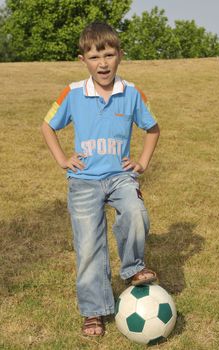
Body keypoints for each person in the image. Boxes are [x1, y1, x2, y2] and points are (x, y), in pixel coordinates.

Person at [41, 22, 160, 337]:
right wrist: (63, 159)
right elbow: (47, 126)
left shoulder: (132, 92)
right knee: (89, 247)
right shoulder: (74, 92)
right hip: (83, 182)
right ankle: (94, 311)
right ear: (83, 60)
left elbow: (153, 128)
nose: (103, 63)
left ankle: (133, 268)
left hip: (121, 176)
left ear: (120, 55)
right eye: (95, 57)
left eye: (109, 55)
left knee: (136, 212)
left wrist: (142, 163)